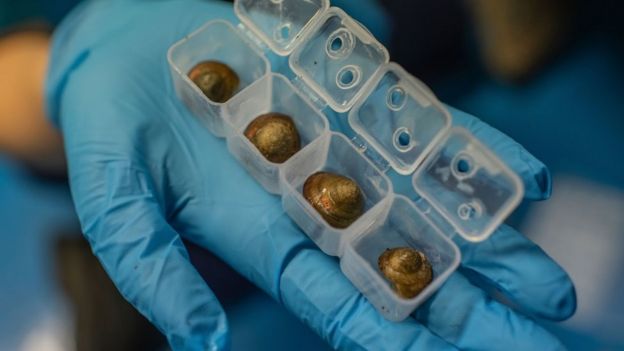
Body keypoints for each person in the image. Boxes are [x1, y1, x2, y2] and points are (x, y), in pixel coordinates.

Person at [1, 0, 576, 350]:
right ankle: (131, 280)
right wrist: (60, 71)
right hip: (154, 110)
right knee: (234, 223)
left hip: (367, 61)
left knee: (395, 134)